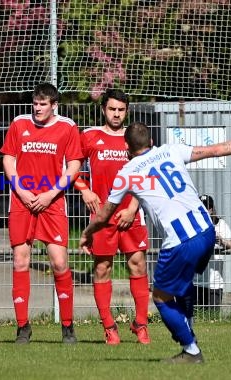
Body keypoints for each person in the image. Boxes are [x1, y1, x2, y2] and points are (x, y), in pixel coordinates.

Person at [80, 122, 231, 363]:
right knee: (183, 284)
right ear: (151, 141)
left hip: (180, 241)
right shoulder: (171, 150)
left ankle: (190, 348)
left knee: (160, 297)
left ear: (126, 147)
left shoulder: (126, 172)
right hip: (206, 232)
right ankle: (187, 326)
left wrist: (87, 232)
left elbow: (105, 214)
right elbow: (215, 149)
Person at [0, 83, 83, 344]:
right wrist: (21, 190)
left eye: (43, 104)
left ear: (54, 105)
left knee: (59, 262)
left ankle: (68, 327)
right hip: (22, 201)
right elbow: (8, 160)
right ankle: (23, 327)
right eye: (35, 103)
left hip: (53, 203)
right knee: (20, 261)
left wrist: (50, 194)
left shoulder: (67, 127)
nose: (37, 108)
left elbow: (74, 165)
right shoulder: (19, 124)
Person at [75, 89, 150, 345]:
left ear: (126, 111)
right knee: (102, 268)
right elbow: (72, 166)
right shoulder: (90, 137)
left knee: (138, 265)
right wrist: (85, 190)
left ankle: (141, 325)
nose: (116, 114)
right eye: (112, 109)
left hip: (131, 214)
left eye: (120, 110)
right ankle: (109, 327)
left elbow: (149, 175)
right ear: (103, 110)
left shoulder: (135, 138)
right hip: (102, 217)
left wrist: (133, 208)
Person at [194, 194, 231, 312]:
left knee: (213, 317)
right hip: (196, 281)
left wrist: (222, 241)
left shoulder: (221, 224)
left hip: (215, 283)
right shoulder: (193, 224)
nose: (204, 210)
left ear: (211, 209)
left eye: (206, 208)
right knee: (196, 316)